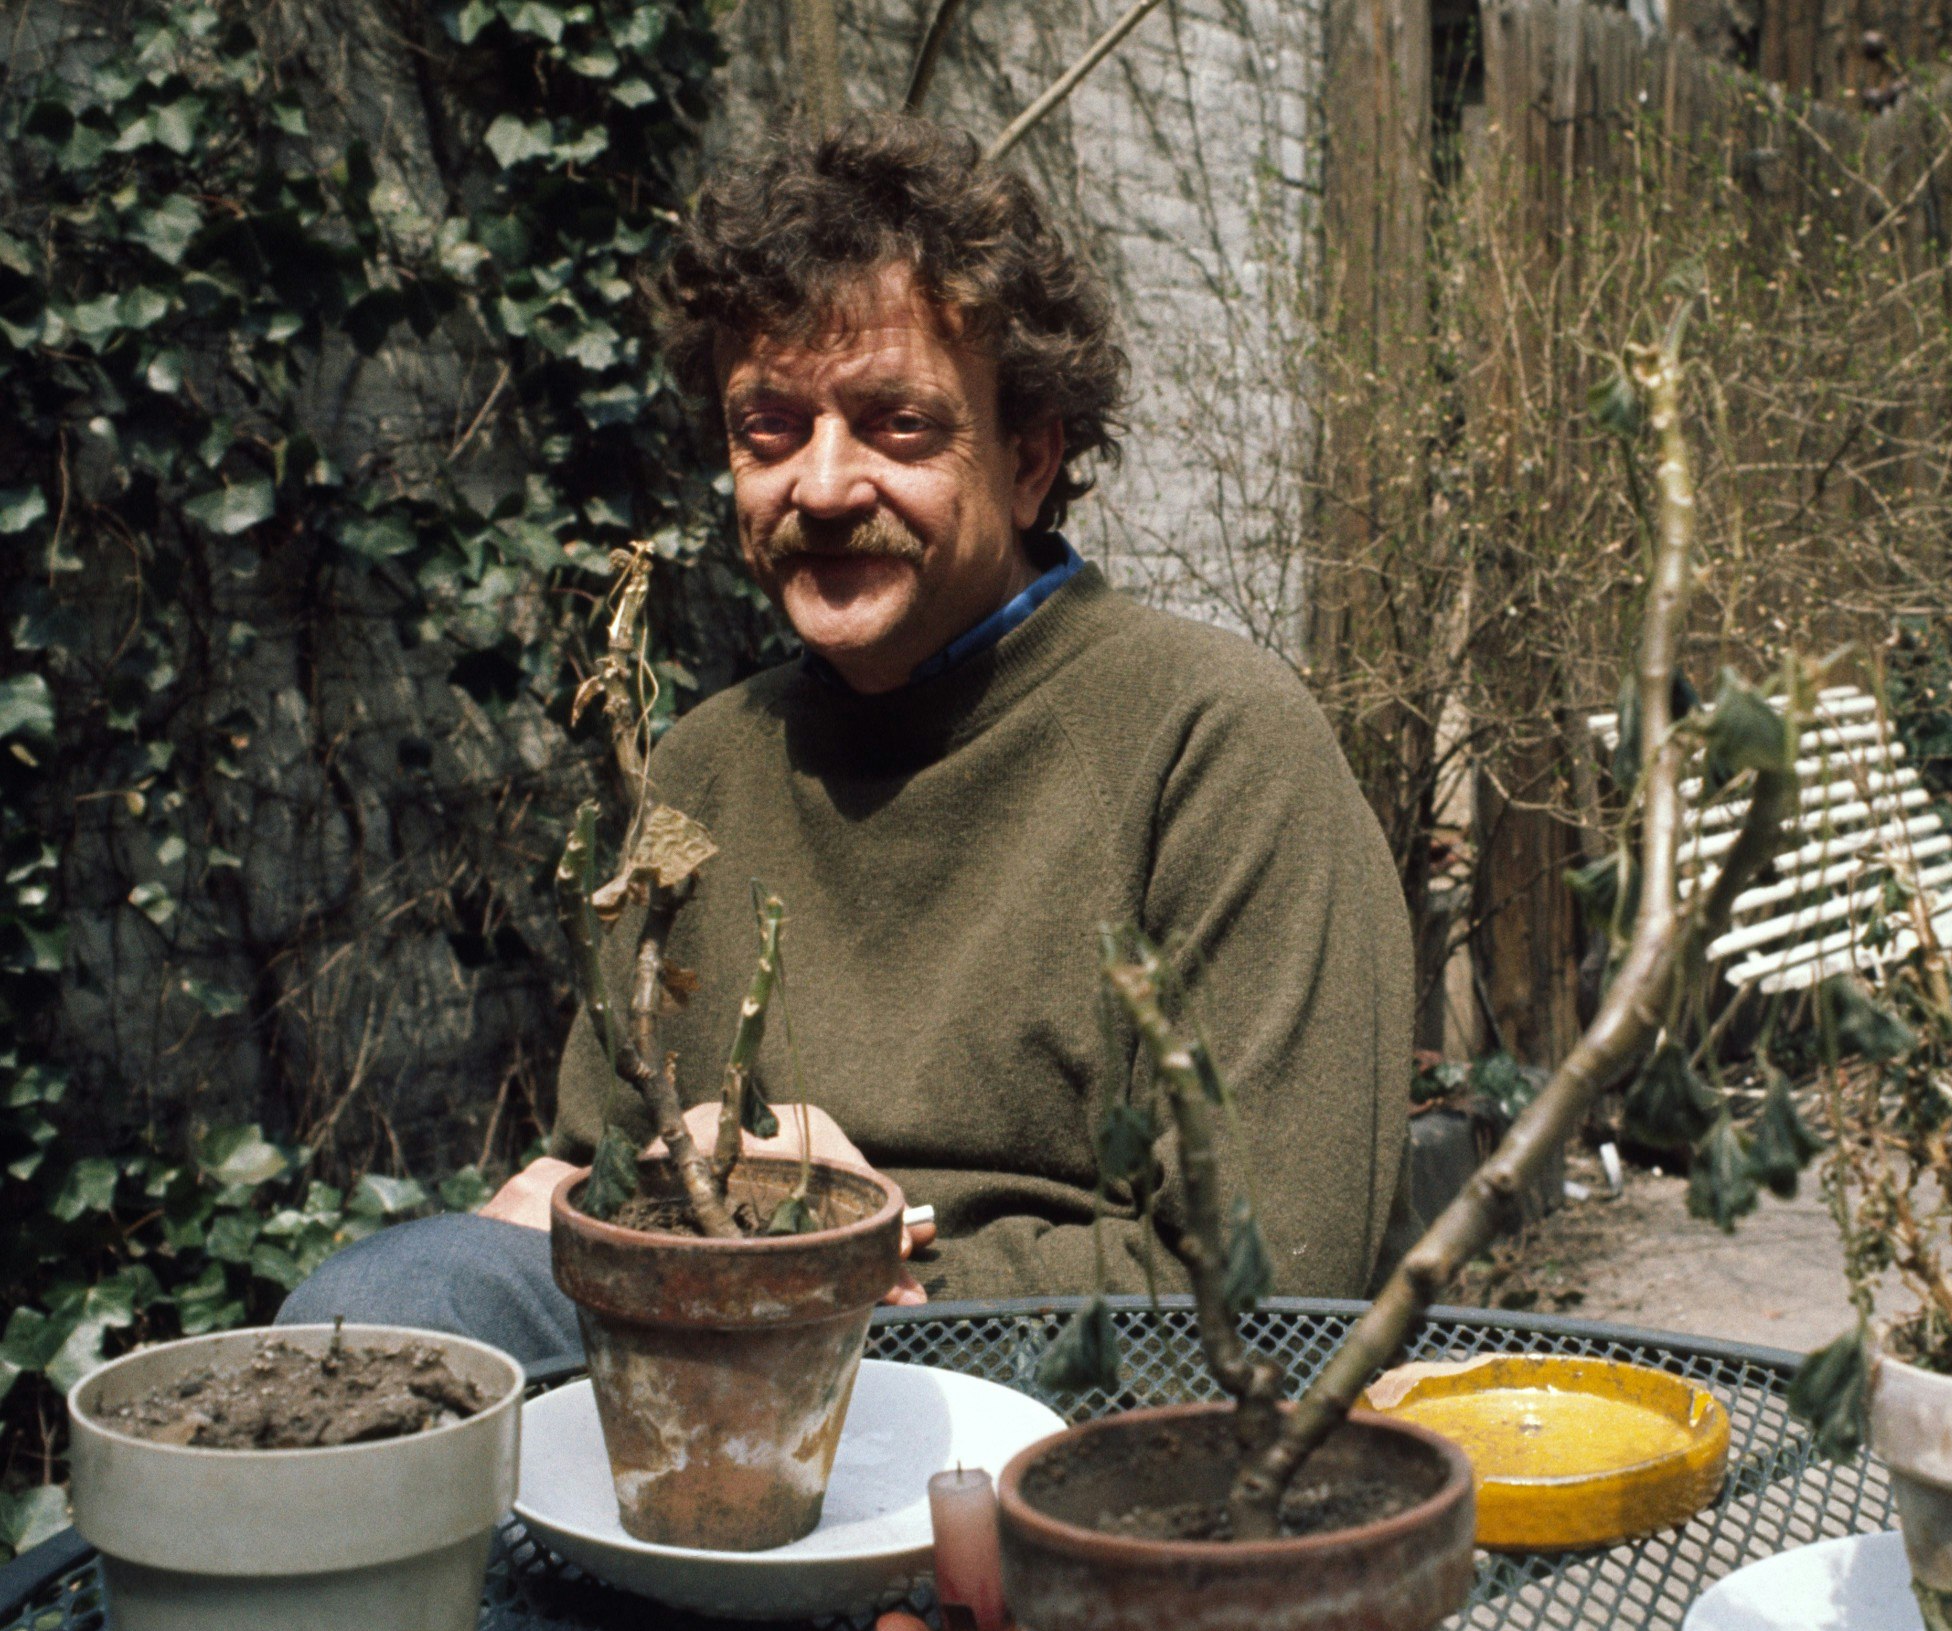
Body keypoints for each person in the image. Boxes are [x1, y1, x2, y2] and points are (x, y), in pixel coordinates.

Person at [282, 115, 1417, 1368]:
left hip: (1036, 1404)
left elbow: (1275, 1291)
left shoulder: (1211, 741)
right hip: (697, 1348)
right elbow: (593, 1162)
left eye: (897, 423)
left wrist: (831, 1243)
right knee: (391, 1304)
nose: (819, 487)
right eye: (768, 426)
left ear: (1031, 458)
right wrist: (620, 1217)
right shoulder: (699, 766)